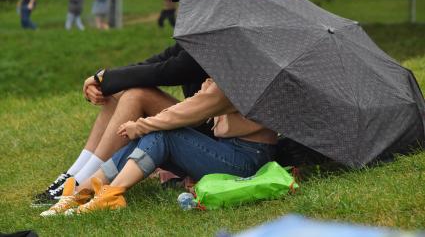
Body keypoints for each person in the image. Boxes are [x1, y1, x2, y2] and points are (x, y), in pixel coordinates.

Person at [32, 0, 220, 207]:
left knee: (137, 93)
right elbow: (152, 63)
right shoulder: (194, 39)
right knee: (121, 91)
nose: (189, 8)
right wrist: (104, 80)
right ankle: (73, 175)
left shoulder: (214, 43)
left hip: (213, 140)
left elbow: (165, 71)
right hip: (197, 124)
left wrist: (105, 78)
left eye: (198, 1)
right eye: (187, 0)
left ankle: (81, 183)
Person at [40, 78, 277, 216]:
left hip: (245, 161)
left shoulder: (234, 81)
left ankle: (110, 195)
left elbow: (190, 112)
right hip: (232, 150)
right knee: (156, 136)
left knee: (163, 135)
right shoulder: (229, 76)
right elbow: (198, 105)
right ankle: (85, 190)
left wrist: (142, 125)